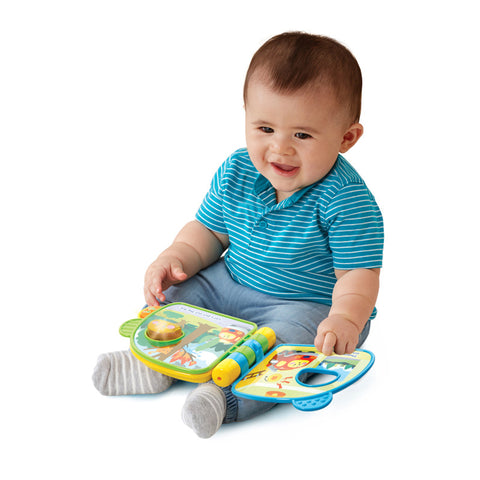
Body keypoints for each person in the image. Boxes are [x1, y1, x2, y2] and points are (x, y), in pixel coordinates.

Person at [93, 32, 384, 438]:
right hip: (229, 284)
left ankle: (224, 397)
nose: (280, 148)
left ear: (346, 138)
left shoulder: (346, 199)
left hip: (303, 304)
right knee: (179, 295)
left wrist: (345, 318)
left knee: (291, 348)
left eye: (302, 135)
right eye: (265, 128)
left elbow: (358, 274)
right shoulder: (237, 170)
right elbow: (209, 233)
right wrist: (176, 257)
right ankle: (151, 365)